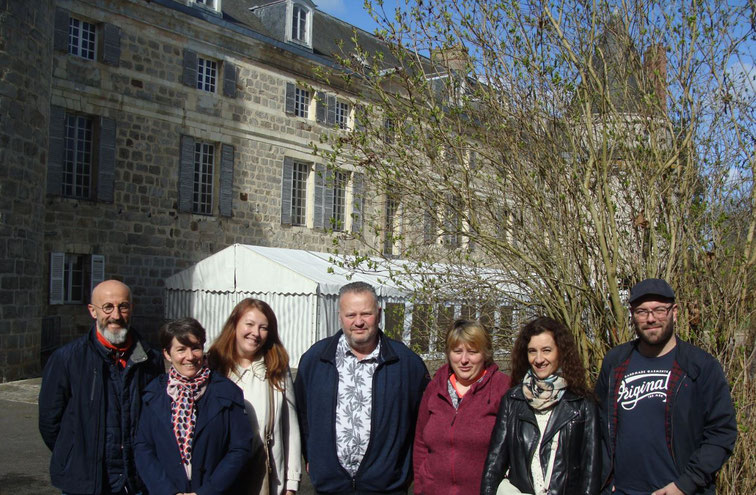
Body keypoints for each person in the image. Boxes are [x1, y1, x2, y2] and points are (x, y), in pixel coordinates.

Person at [595, 278, 737, 495]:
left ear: (675, 311)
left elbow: (721, 433)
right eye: (642, 311)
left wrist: (685, 485)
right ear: (632, 314)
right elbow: (598, 424)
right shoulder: (615, 362)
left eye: (659, 310)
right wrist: (604, 477)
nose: (651, 318)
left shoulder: (700, 366)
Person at [294, 281, 430, 494]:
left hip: (387, 488)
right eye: (351, 315)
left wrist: (405, 470)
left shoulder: (406, 364)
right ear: (340, 315)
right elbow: (301, 415)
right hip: (330, 487)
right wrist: (312, 458)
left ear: (379, 313)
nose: (358, 322)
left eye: (366, 314)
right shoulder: (315, 360)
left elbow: (424, 423)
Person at [38, 279, 164, 495]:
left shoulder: (151, 360)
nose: (116, 315)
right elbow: (50, 422)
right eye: (107, 307)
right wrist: (75, 455)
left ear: (131, 309)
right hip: (85, 482)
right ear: (93, 311)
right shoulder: (67, 359)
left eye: (123, 306)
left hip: (137, 481)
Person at [480, 316, 600, 495]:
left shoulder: (582, 403)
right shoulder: (513, 400)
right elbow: (494, 464)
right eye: (532, 351)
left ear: (560, 351)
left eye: (546, 350)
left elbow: (590, 472)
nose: (539, 359)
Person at [134, 317, 253, 495]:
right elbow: (143, 448)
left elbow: (239, 448)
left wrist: (208, 491)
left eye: (195, 348)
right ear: (167, 354)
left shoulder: (227, 393)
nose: (190, 357)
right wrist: (167, 491)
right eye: (181, 349)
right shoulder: (153, 396)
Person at [207, 298, 301, 495]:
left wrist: (291, 483)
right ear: (235, 324)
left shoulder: (277, 369)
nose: (255, 333)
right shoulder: (213, 366)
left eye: (263, 328)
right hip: (218, 475)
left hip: (264, 475)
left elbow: (290, 428)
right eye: (249, 324)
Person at [413, 319, 512, 495]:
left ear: (485, 354)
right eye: (457, 351)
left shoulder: (502, 388)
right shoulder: (434, 388)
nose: (464, 360)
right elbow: (420, 443)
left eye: (473, 352)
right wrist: (421, 486)